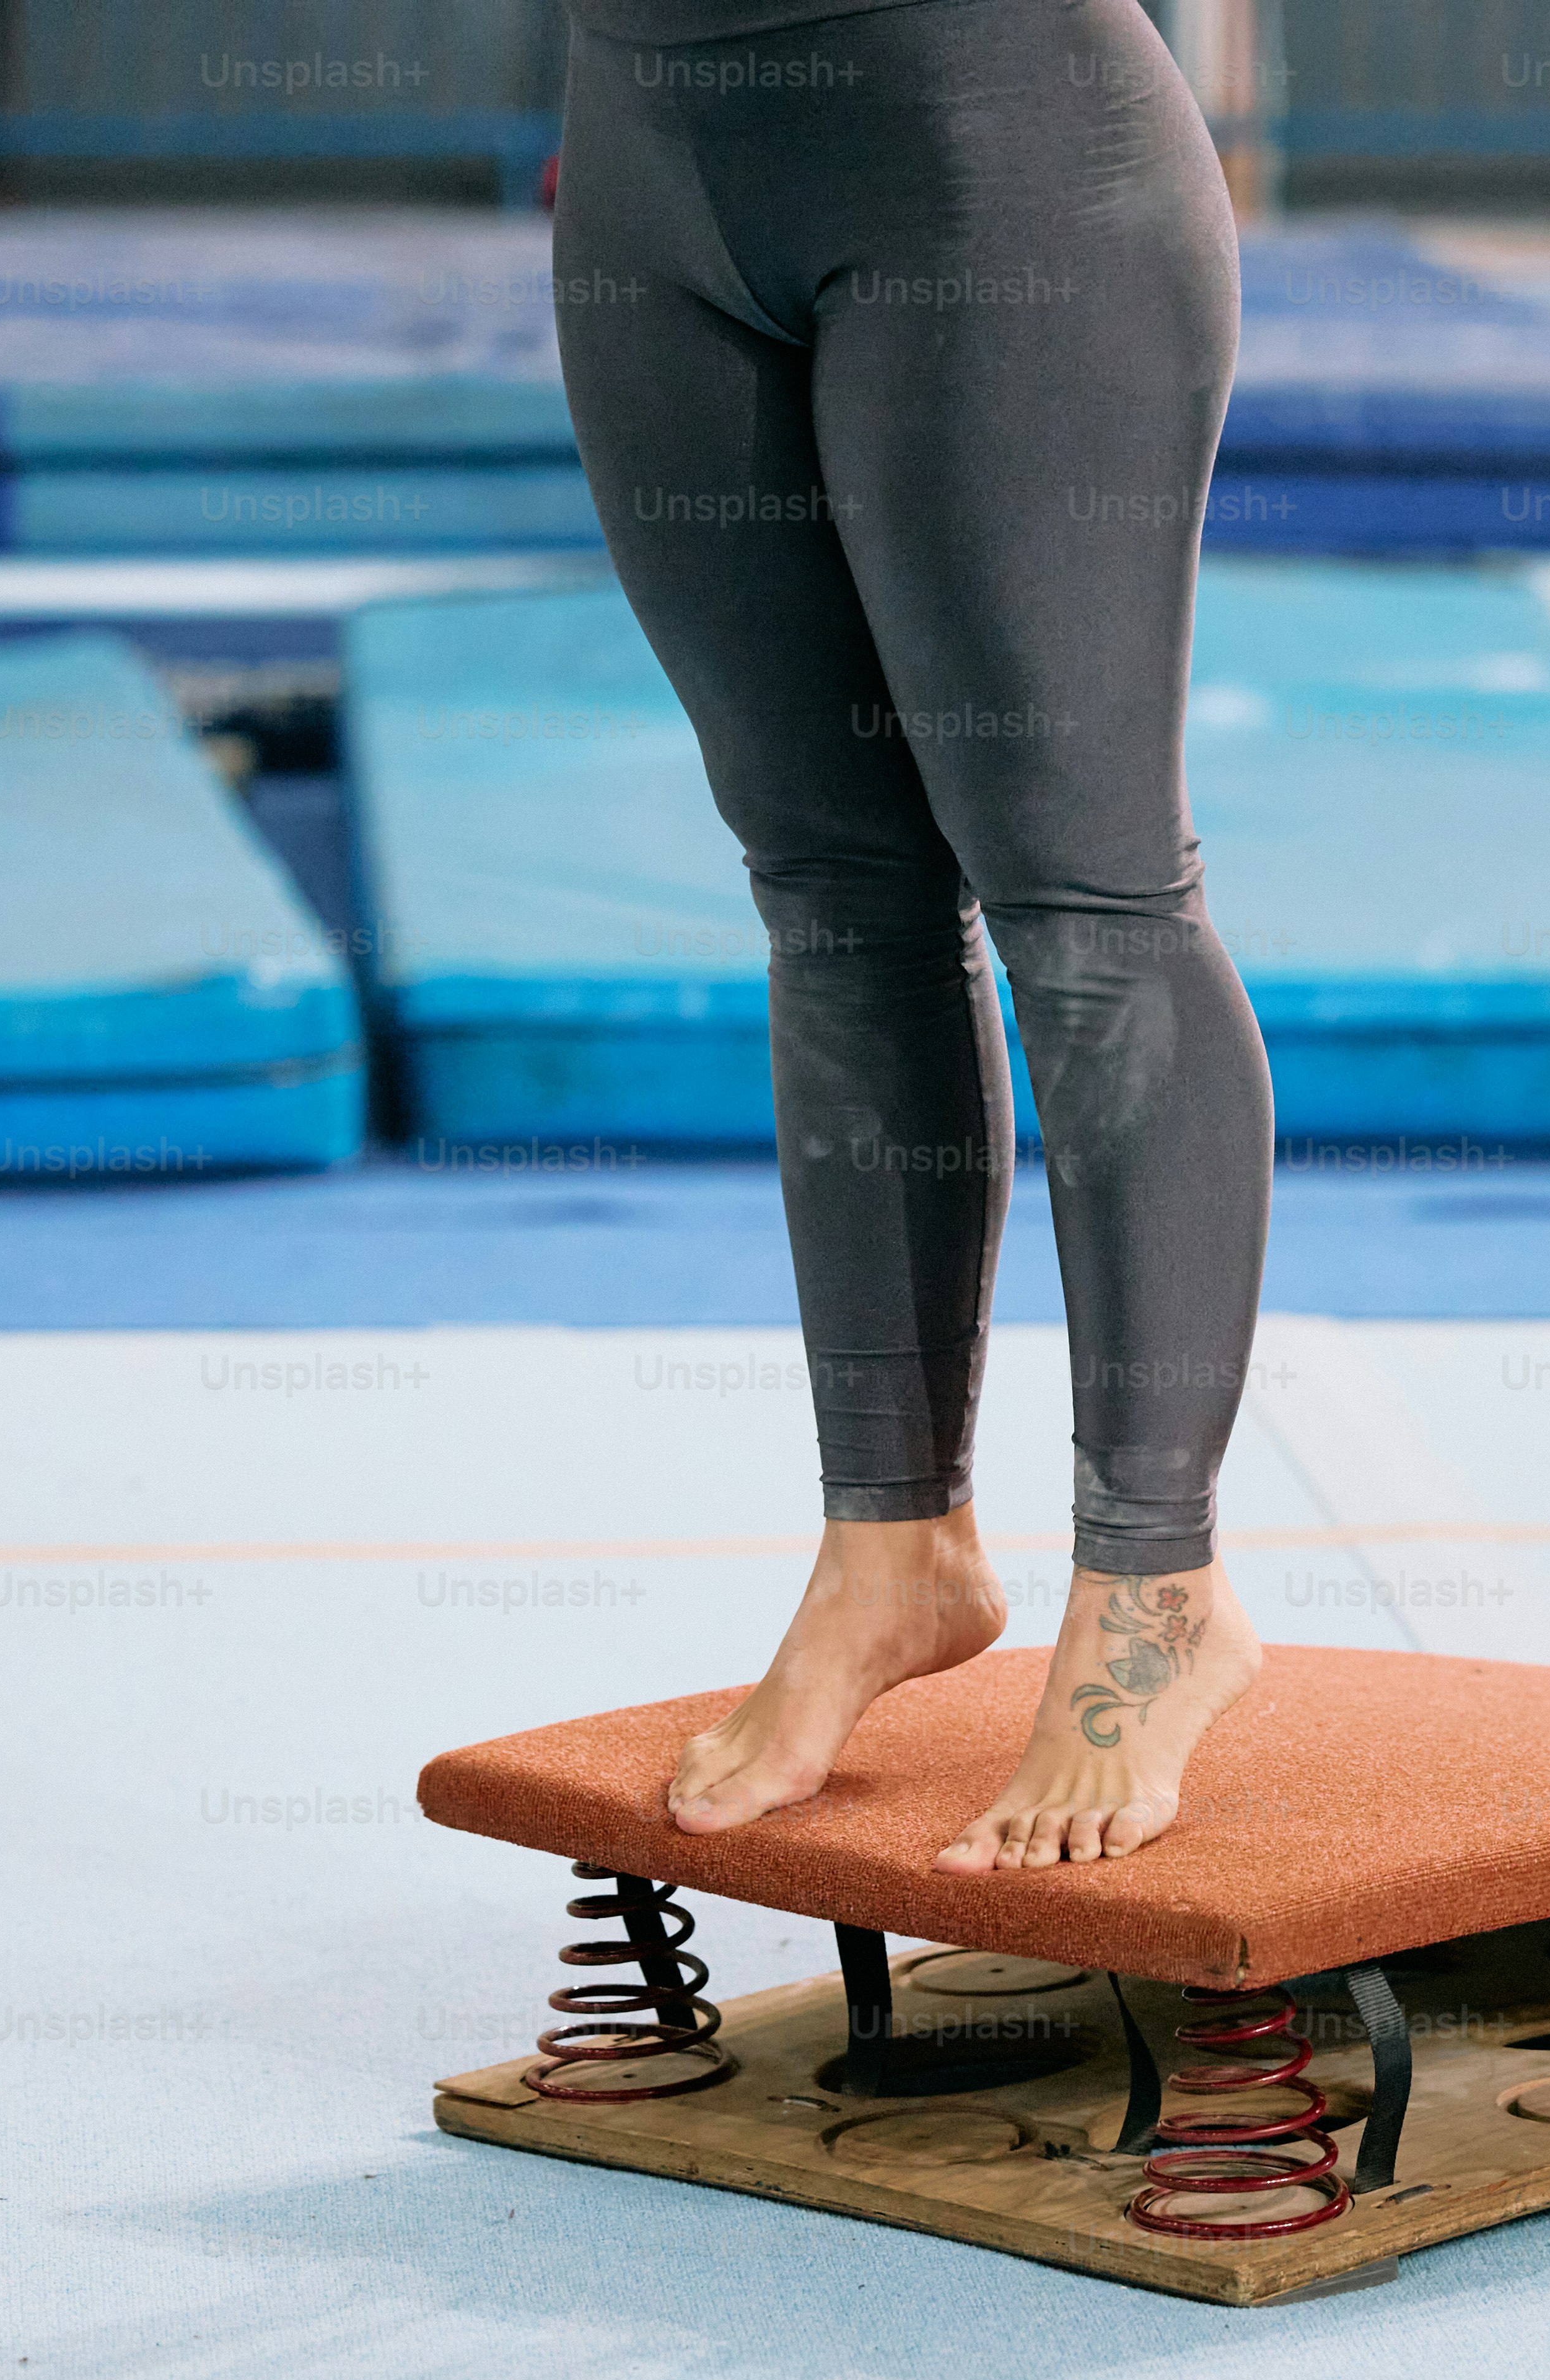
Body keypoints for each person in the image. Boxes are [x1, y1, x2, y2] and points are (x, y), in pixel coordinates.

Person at [549, 0, 1269, 1873]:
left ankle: (1155, 1586)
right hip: (653, 160)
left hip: (995, 152)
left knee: (1083, 897)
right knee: (830, 888)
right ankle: (895, 1548)